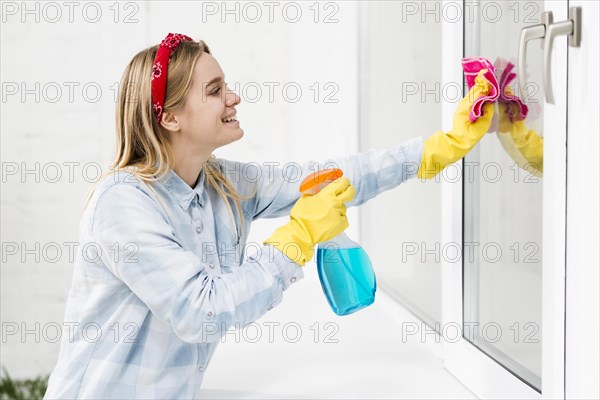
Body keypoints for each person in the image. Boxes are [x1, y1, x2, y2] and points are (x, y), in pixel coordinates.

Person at [44, 33, 494, 399]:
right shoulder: (124, 204)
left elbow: (332, 177)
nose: (233, 97)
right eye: (215, 90)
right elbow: (202, 311)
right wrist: (296, 237)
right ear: (170, 117)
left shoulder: (223, 185)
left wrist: (441, 147)